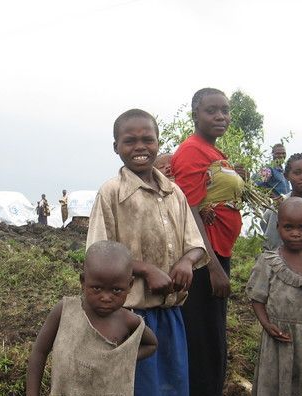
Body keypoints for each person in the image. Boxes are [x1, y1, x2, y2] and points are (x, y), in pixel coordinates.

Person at [87, 108, 208, 395]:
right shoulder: (112, 193)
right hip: (129, 314)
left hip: (170, 313)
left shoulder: (174, 193)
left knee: (173, 384)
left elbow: (194, 243)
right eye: (130, 141)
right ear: (116, 146)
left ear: (158, 142)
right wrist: (144, 269)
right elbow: (97, 254)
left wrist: (186, 263)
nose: (140, 147)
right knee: (138, 385)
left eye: (148, 139)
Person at [171, 88, 242, 396]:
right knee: (203, 341)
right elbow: (188, 209)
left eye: (225, 110)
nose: (220, 116)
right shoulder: (191, 150)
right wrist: (212, 267)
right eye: (211, 110)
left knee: (212, 337)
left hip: (216, 252)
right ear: (195, 114)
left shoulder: (212, 152)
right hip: (201, 259)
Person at [26, 240, 158, 396]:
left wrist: (122, 359)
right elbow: (39, 352)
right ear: (83, 281)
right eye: (97, 288)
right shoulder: (66, 310)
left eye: (116, 290)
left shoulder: (127, 321)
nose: (106, 297)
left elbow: (151, 345)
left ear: (129, 285)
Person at [246, 197, 302, 395]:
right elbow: (257, 298)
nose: (295, 233)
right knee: (276, 383)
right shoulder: (269, 261)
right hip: (279, 337)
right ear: (278, 227)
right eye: (288, 227)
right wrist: (267, 325)